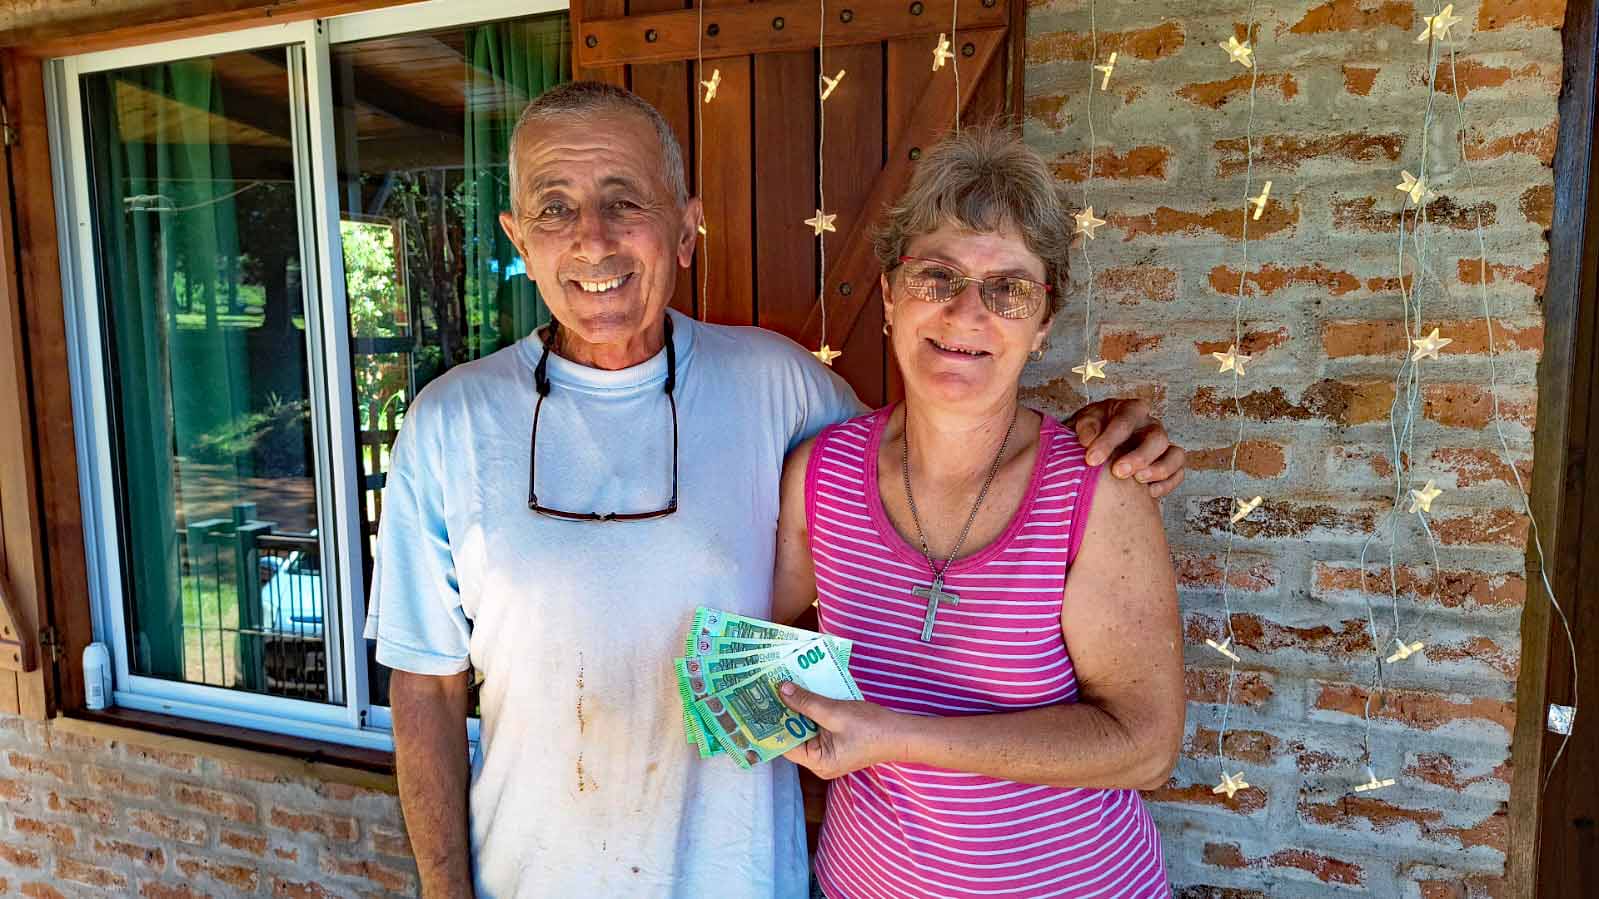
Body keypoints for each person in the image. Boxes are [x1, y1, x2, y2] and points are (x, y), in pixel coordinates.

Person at [364, 81, 1187, 899]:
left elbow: (953, 436)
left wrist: (1102, 434)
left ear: (686, 231)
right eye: (554, 208)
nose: (591, 239)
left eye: (625, 202)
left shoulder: (780, 389)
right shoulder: (450, 423)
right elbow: (423, 683)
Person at [772, 128, 1183, 898]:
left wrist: (892, 735)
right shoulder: (821, 476)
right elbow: (735, 633)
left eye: (1009, 290)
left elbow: (1144, 745)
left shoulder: (1098, 487)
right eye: (937, 275)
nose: (967, 312)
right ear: (890, 295)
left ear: (1044, 323)